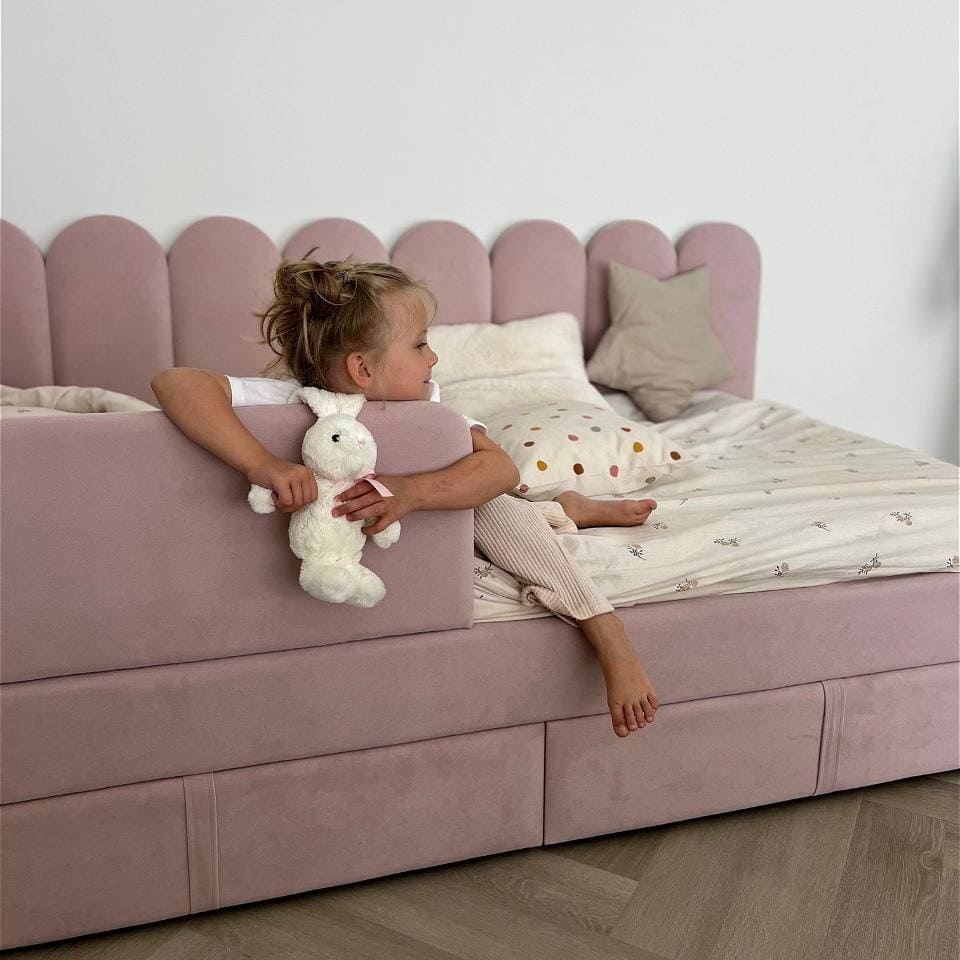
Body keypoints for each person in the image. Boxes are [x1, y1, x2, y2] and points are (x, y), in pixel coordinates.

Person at [151, 254, 660, 738]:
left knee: (489, 504)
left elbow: (501, 470)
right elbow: (176, 382)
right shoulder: (291, 402)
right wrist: (261, 463)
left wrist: (412, 492)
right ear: (362, 370)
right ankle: (560, 510)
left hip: (446, 504)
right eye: (420, 345)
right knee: (488, 502)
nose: (433, 357)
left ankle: (603, 625)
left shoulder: (430, 412)